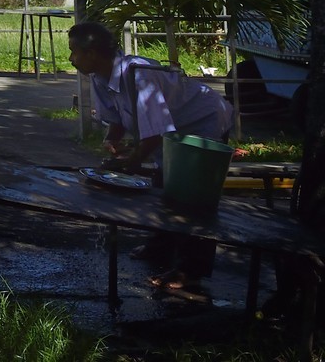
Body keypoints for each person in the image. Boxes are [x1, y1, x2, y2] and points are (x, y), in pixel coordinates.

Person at [67, 20, 234, 290]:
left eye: (74, 51)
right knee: (163, 186)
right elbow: (117, 117)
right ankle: (161, 245)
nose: (71, 58)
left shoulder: (139, 74)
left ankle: (191, 270)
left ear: (93, 53)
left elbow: (155, 132)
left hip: (204, 122)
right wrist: (112, 140)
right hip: (173, 131)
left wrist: (132, 162)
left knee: (193, 197)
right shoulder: (99, 76)